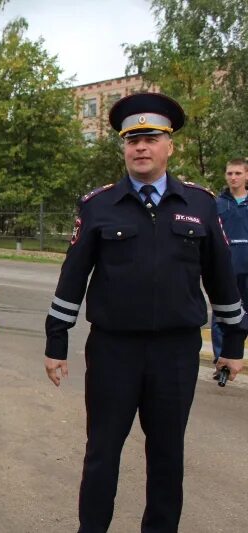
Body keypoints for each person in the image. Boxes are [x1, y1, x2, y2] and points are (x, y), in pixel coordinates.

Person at [44, 92, 246, 532]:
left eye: (151, 138)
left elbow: (222, 280)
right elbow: (72, 278)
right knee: (101, 453)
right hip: (114, 351)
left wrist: (233, 343)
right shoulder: (98, 205)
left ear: (169, 145)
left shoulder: (200, 204)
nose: (140, 147)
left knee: (168, 455)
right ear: (123, 146)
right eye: (131, 139)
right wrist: (56, 340)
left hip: (175, 353)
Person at [210, 157, 248, 361]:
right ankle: (221, 358)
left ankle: (237, 356)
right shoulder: (217, 204)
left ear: (246, 175)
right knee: (221, 315)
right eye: (230, 173)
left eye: (238, 173)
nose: (233, 177)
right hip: (226, 269)